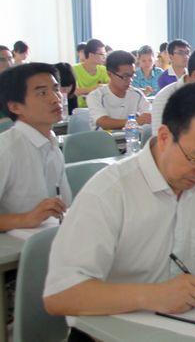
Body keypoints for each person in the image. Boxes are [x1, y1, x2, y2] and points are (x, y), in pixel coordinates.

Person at [43, 83, 195, 323]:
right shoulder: (108, 193)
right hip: (112, 331)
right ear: (165, 137)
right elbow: (60, 295)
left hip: (189, 325)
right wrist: (152, 296)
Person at [0, 63, 71, 231]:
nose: (56, 98)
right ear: (15, 107)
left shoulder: (51, 143)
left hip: (50, 235)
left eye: (56, 89)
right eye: (42, 93)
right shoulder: (5, 149)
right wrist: (25, 219)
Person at [86, 50, 151, 130]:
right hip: (103, 137)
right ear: (110, 74)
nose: (130, 80)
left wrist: (143, 119)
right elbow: (103, 122)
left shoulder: (137, 94)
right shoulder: (96, 96)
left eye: (132, 75)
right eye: (125, 76)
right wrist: (134, 122)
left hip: (131, 137)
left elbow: (148, 116)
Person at [73, 38, 110, 108]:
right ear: (91, 55)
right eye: (102, 54)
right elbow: (74, 91)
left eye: (105, 54)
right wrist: (94, 89)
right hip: (81, 109)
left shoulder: (104, 70)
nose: (104, 57)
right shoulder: (74, 69)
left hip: (100, 107)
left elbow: (111, 87)